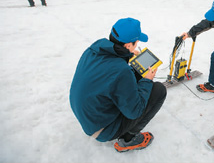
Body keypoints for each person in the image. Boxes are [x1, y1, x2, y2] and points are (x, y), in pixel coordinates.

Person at [69, 18, 167, 152]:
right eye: (136, 42)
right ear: (127, 45)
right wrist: (147, 80)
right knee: (159, 90)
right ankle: (128, 139)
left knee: (134, 75)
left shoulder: (94, 50)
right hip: (102, 130)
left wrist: (127, 55)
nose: (137, 44)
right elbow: (135, 111)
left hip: (89, 117)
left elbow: (111, 74)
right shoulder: (121, 71)